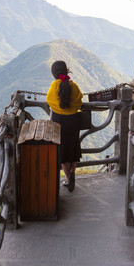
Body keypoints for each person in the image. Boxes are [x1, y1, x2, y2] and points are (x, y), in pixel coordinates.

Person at [46, 60, 83, 192]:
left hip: (59, 121)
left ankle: (68, 179)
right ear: (67, 70)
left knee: (63, 151)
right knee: (73, 148)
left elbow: (49, 100)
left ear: (54, 74)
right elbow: (79, 100)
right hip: (73, 120)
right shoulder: (73, 85)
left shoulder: (54, 86)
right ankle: (73, 173)